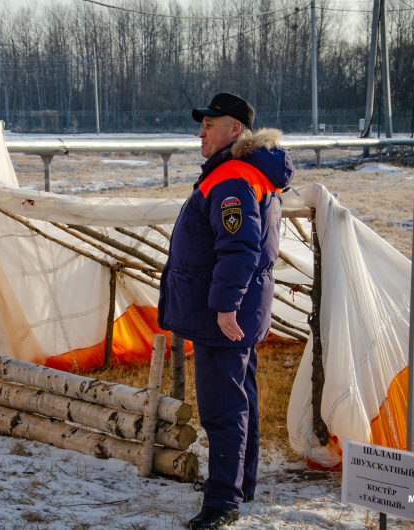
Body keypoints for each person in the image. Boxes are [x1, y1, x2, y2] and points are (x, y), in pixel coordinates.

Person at [158, 93, 293, 529]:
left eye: (209, 123)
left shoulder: (232, 178)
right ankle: (240, 484)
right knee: (241, 400)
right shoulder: (247, 173)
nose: (201, 131)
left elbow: (239, 249)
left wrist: (223, 308)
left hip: (225, 315)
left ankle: (221, 504)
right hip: (241, 308)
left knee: (222, 408)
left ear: (234, 130)